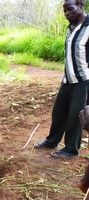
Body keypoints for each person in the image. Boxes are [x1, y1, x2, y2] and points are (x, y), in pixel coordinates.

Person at [34, 0, 89, 159]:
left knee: (76, 117)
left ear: (81, 6)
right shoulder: (71, 28)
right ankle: (52, 141)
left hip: (83, 82)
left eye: (70, 9)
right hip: (68, 80)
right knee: (58, 113)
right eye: (64, 11)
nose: (66, 14)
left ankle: (71, 150)